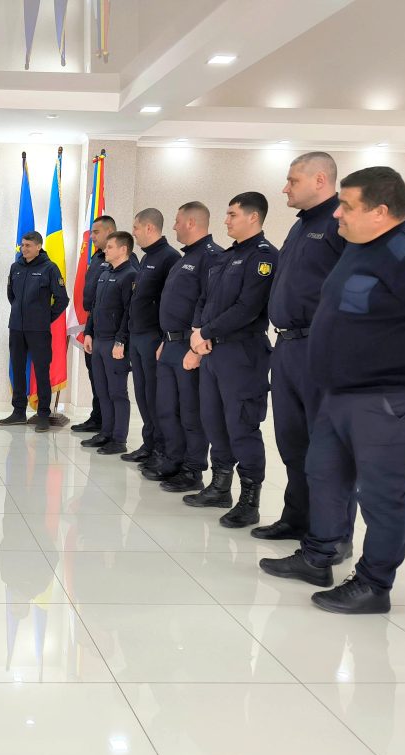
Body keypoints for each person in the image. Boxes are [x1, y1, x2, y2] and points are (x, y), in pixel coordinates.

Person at [260, 166, 405, 614]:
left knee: (380, 492)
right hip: (340, 390)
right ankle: (319, 555)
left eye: (347, 206)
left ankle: (374, 584)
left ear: (380, 211)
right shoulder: (359, 244)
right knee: (323, 471)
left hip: (387, 394)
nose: (337, 214)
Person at [253, 152, 355, 543]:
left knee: (327, 449)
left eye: (292, 180)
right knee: (292, 443)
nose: (285, 188)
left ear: (320, 180)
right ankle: (297, 518)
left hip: (321, 347)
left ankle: (334, 536)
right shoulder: (300, 226)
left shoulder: (342, 223)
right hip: (288, 346)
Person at [183, 192, 277, 529]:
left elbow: (247, 308)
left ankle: (249, 501)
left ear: (253, 217)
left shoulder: (264, 257)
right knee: (213, 421)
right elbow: (204, 299)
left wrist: (205, 331)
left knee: (241, 426)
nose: (226, 220)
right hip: (213, 352)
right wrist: (198, 334)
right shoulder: (225, 257)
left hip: (242, 353)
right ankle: (220, 487)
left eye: (232, 214)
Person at [146, 202, 222, 493]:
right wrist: (165, 340)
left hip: (190, 346)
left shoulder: (211, 257)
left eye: (178, 221)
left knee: (191, 412)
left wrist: (196, 348)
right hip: (170, 344)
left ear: (191, 222)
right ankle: (173, 460)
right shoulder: (186, 257)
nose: (174, 226)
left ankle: (193, 469)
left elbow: (210, 304)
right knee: (167, 408)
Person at [123, 208, 180, 468]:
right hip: (137, 335)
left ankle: (161, 448)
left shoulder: (169, 257)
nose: (133, 232)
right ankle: (149, 444)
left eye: (136, 227)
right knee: (143, 394)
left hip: (153, 337)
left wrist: (163, 338)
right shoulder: (147, 257)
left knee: (157, 396)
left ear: (149, 227)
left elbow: (170, 302)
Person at [0, 230, 69, 432]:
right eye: (22, 245)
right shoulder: (16, 267)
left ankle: (43, 414)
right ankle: (18, 412)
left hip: (38, 330)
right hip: (16, 328)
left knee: (41, 371)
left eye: (28, 245)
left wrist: (44, 317)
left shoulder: (50, 268)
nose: (24, 249)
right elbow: (11, 296)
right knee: (18, 368)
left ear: (39, 247)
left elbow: (62, 299)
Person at [80, 231, 137, 454]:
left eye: (110, 247)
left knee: (117, 392)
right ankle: (106, 432)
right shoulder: (105, 274)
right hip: (98, 340)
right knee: (102, 391)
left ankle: (119, 438)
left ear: (123, 249)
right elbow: (95, 307)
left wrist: (121, 341)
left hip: (115, 342)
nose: (105, 250)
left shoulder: (130, 275)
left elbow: (129, 312)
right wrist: (88, 333)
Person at [71, 214, 116, 433]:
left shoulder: (122, 259)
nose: (92, 237)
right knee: (95, 375)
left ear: (110, 232)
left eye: (96, 232)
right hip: (93, 324)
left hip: (110, 329)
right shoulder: (98, 257)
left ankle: (109, 424)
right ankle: (97, 417)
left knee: (108, 381)